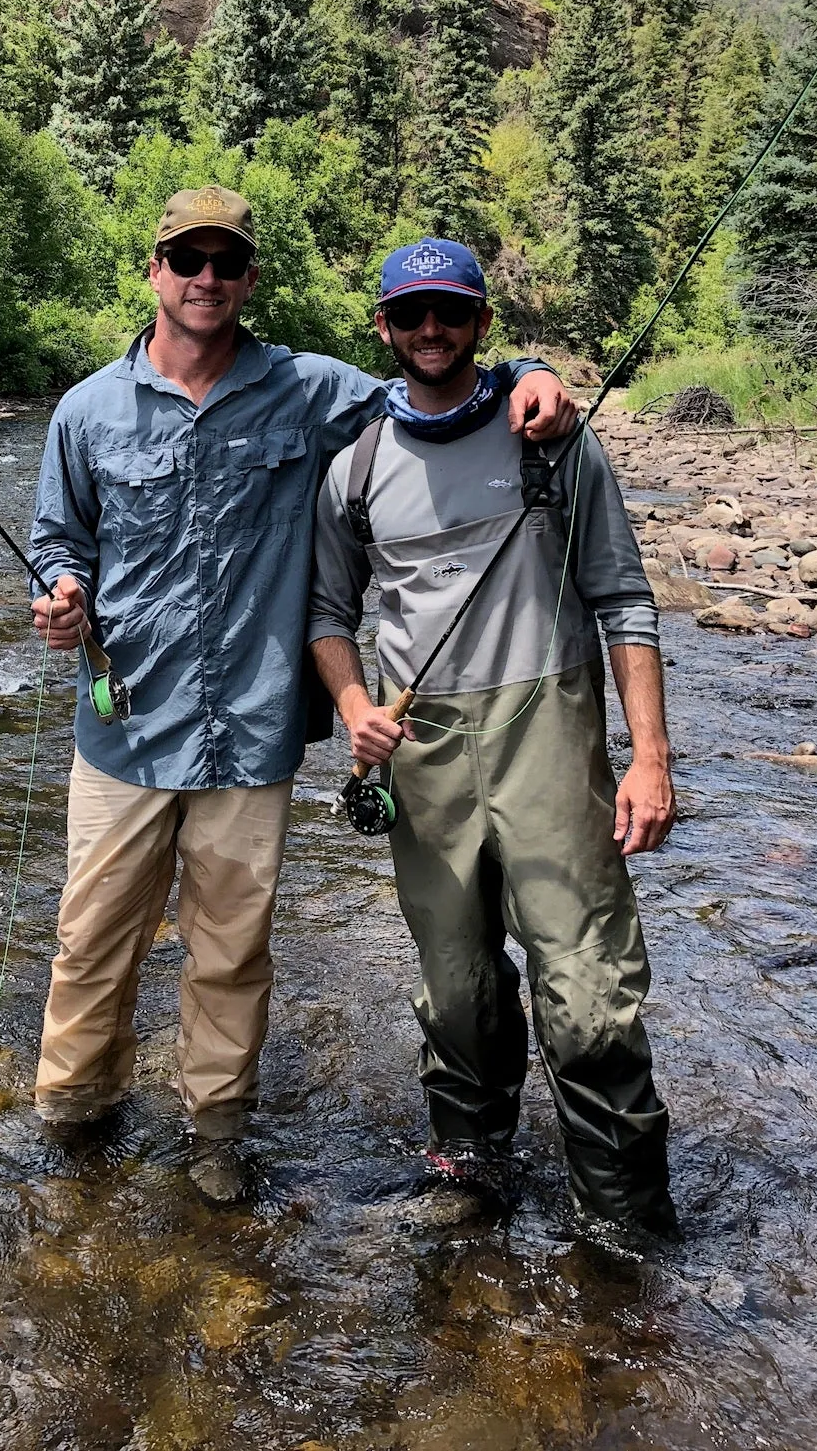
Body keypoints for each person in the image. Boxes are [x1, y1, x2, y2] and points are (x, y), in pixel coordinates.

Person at [27, 187, 578, 1203]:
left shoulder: (310, 391)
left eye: (224, 263)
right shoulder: (86, 411)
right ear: (152, 272)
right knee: (88, 943)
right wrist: (58, 594)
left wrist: (530, 373)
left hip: (252, 731)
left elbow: (432, 385)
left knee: (231, 954)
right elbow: (61, 540)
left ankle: (216, 1130)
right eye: (185, 260)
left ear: (248, 281)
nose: (205, 279)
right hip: (122, 727)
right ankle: (73, 1117)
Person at [308, 237, 677, 1234]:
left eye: (453, 314)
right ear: (382, 327)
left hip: (547, 729)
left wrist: (648, 760)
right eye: (412, 314)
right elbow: (326, 615)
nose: (433, 331)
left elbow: (624, 599)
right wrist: (352, 708)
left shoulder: (550, 433)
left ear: (480, 324)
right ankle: (467, 1169)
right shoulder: (352, 456)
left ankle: (623, 1214)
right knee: (456, 986)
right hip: (419, 749)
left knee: (586, 990)